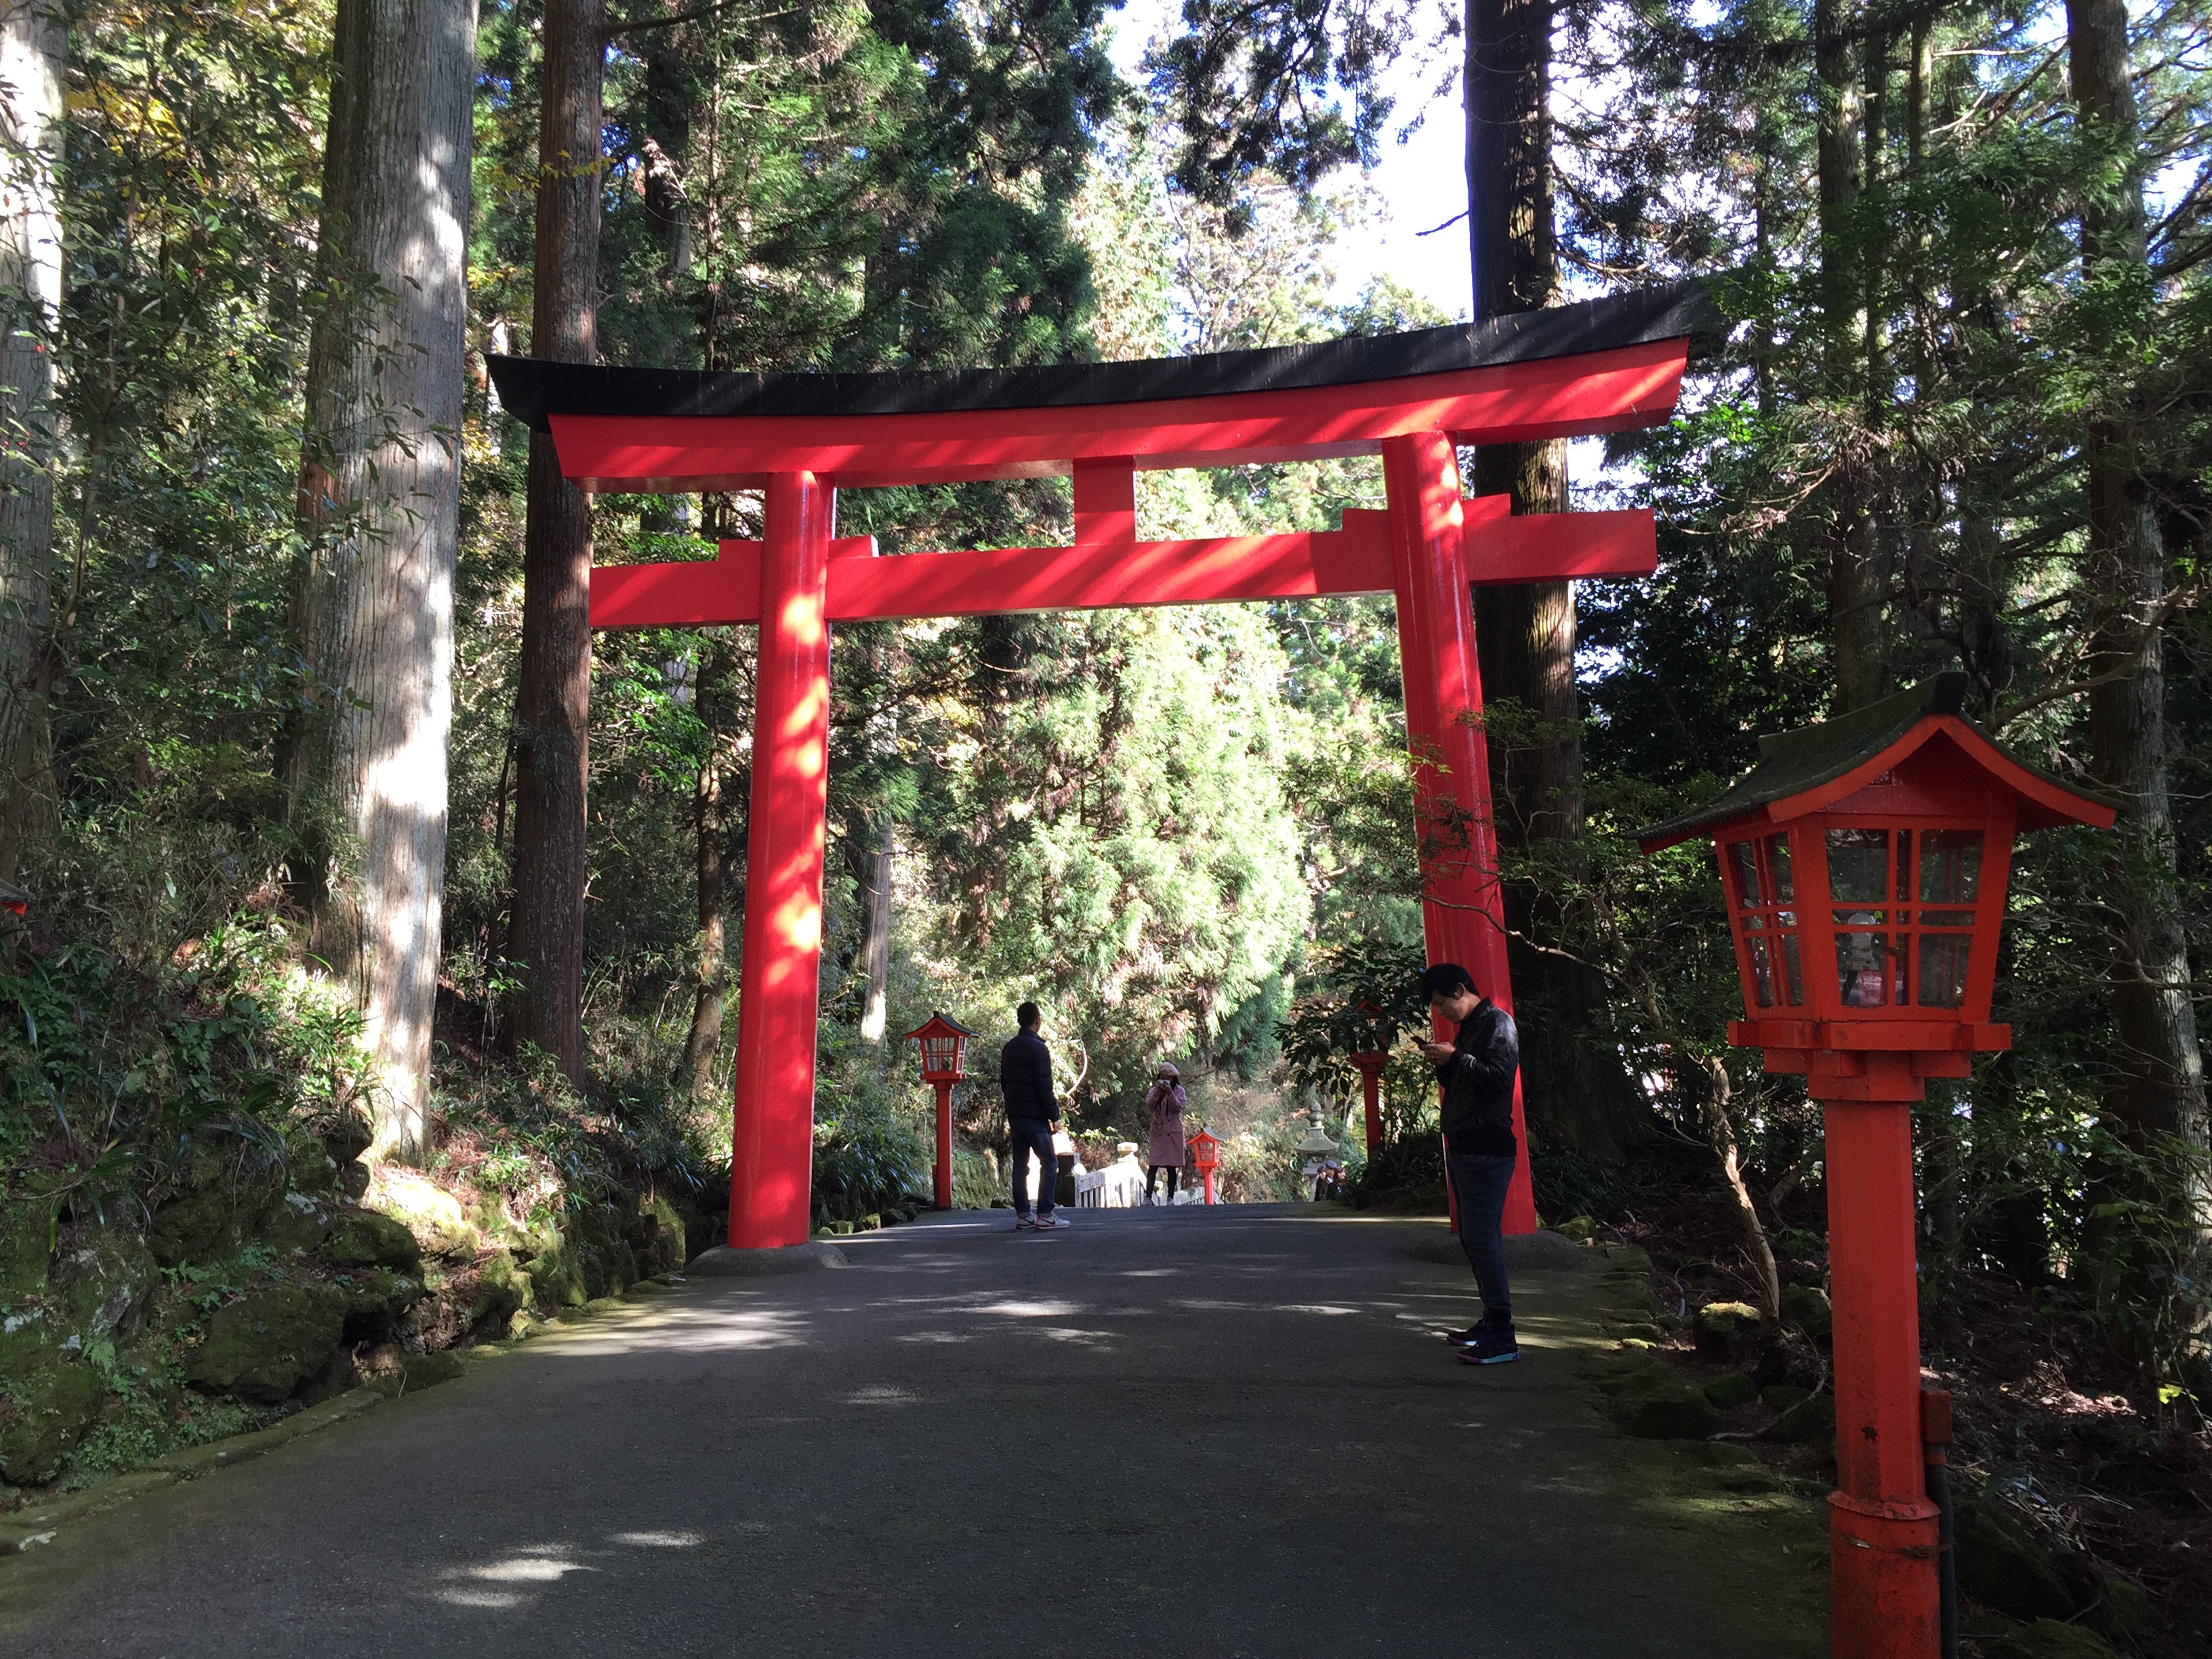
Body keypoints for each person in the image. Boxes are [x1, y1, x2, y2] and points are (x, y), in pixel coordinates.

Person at [1419, 962, 1521, 1366]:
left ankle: (1504, 1333)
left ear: (1461, 989)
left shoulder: (1498, 1023)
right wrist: (1447, 1065)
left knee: (1482, 1238)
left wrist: (1456, 1057)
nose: (1441, 1012)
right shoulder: (1471, 1028)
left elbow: (1499, 1079)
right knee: (1473, 1238)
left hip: (1487, 1147)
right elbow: (1468, 1082)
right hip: (1464, 1143)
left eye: (1443, 1003)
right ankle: (1491, 1321)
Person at [1000, 1001, 1069, 1231]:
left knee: (1021, 1164)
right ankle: (1046, 1213)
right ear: (1037, 1020)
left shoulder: (1009, 1048)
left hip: (1016, 1115)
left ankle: (1023, 1214)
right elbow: (1044, 1087)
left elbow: (1004, 1083)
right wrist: (1054, 1115)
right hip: (1035, 1117)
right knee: (1049, 1162)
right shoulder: (1039, 1049)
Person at [1142, 1062, 1186, 1204]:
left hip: (1173, 1130)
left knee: (1171, 1166)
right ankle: (1148, 1197)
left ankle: (1171, 1197)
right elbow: (1149, 1105)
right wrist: (1158, 1093)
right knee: (1153, 1165)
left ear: (1173, 1078)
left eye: (1169, 1078)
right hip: (1159, 1129)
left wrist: (1170, 1093)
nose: (1166, 1080)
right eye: (1163, 1077)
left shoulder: (1180, 1091)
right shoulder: (1154, 1090)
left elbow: (1178, 1107)